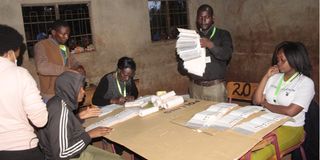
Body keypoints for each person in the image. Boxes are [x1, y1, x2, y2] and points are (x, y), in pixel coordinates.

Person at [37, 71, 123, 160]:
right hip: (67, 156)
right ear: (69, 89)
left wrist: (78, 117)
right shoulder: (60, 111)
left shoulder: (58, 100)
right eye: (80, 89)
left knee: (116, 158)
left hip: (72, 145)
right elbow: (61, 153)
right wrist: (89, 135)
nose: (84, 92)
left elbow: (63, 128)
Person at [252, 41, 315, 159]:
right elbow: (256, 100)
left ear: (294, 60)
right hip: (267, 122)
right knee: (242, 144)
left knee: (257, 154)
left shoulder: (306, 83)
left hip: (291, 127)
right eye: (277, 59)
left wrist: (265, 104)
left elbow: (290, 111)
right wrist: (266, 76)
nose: (278, 63)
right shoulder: (274, 77)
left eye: (282, 60)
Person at [0, 24, 48, 159]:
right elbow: (40, 120)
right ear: (9, 53)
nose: (17, 59)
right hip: (21, 148)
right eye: (17, 54)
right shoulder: (19, 74)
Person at [177, 4, 233, 102]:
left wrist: (210, 45)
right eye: (200, 17)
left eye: (206, 17)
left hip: (215, 88)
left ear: (213, 18)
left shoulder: (223, 34)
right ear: (197, 19)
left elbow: (226, 54)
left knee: (218, 116)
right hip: (195, 88)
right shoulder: (191, 37)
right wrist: (185, 59)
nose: (203, 20)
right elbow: (181, 69)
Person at [34, 19, 85, 102]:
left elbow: (73, 62)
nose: (67, 37)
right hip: (51, 94)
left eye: (68, 34)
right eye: (63, 34)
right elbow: (42, 67)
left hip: (65, 90)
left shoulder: (63, 47)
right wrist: (68, 70)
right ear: (54, 32)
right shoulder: (42, 45)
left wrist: (79, 67)